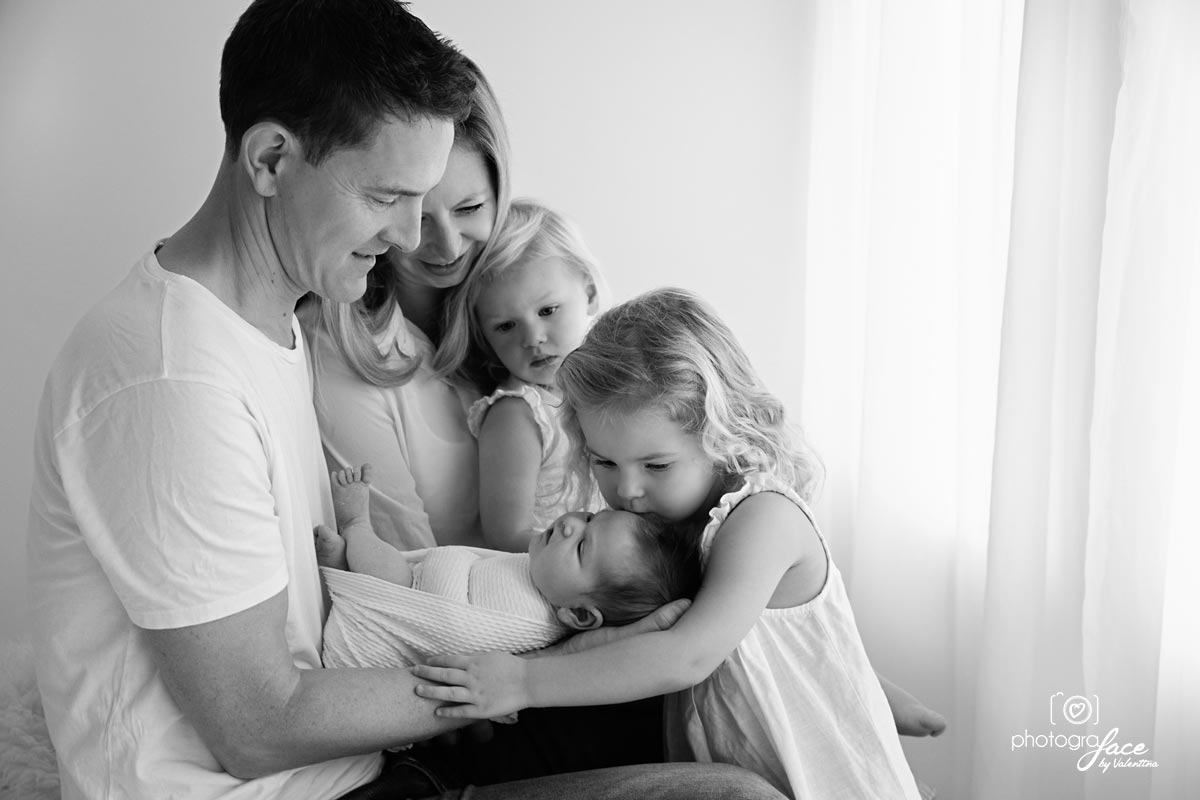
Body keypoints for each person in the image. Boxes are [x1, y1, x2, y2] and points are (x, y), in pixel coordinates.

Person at [25, 1, 788, 797]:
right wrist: (556, 667)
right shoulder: (169, 378)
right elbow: (258, 723)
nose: (414, 240)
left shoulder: (271, 329)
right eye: (390, 198)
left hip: (370, 765)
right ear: (271, 160)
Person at [412, 288, 936, 799]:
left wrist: (523, 683)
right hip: (738, 770)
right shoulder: (669, 525)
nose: (627, 490)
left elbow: (691, 655)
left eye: (655, 465)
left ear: (723, 432)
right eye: (605, 462)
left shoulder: (764, 518)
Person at [303, 55, 512, 553]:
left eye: (470, 208)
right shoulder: (340, 346)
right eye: (409, 208)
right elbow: (409, 569)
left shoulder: (529, 303)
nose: (445, 246)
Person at [314, 465, 701, 670]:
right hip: (413, 597)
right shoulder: (540, 578)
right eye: (588, 517)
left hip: (405, 621)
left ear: (580, 615)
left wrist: (444, 564)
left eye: (582, 546)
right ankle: (349, 573)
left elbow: (451, 623)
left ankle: (355, 525)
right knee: (396, 572)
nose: (569, 524)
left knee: (395, 575)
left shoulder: (526, 619)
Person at [442, 200, 604, 550]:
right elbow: (506, 536)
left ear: (589, 294)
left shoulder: (609, 394)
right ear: (485, 334)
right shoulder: (517, 414)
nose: (532, 338)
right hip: (548, 579)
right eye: (506, 326)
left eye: (548, 310)